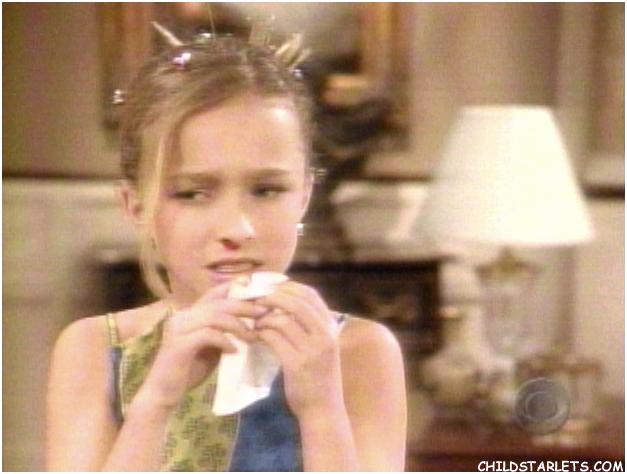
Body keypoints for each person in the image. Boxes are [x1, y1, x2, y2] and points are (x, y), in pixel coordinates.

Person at [46, 27, 406, 472]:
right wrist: (156, 401)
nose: (238, 228)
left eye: (267, 190)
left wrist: (320, 407)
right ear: (136, 206)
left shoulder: (361, 351)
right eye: (193, 194)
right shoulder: (95, 349)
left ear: (304, 195)